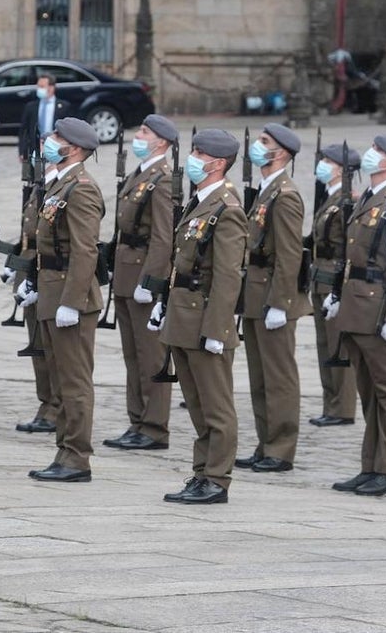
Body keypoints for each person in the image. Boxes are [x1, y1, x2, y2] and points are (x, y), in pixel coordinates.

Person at [156, 129, 247, 504]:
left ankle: (217, 478)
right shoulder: (199, 203)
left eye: (200, 153)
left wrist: (217, 328)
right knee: (196, 404)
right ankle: (201, 472)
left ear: (218, 163)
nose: (193, 158)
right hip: (184, 318)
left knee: (216, 406)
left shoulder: (227, 209)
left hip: (206, 320)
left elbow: (228, 275)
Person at [329, 135, 386, 497]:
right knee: (368, 391)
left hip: (379, 311)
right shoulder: (368, 197)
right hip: (358, 307)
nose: (371, 154)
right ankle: (371, 464)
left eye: (379, 152)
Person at [29, 117, 104, 482]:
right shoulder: (60, 183)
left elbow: (84, 251)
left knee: (74, 382)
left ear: (73, 148)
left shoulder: (82, 189)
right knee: (60, 381)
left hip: (69, 296)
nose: (50, 139)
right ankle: (64, 451)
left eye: (57, 136)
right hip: (51, 290)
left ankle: (77, 457)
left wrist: (72, 302)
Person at [236, 123, 312, 473]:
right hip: (256, 295)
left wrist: (281, 302)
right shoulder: (267, 190)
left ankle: (281, 448)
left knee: (279, 377)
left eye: (264, 143)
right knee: (260, 376)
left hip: (273, 297)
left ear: (280, 152)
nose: (257, 147)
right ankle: (266, 442)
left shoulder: (286, 194)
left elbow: (289, 254)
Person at [103, 113, 177, 452]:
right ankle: (137, 421)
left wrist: (152, 280)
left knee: (151, 356)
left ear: (161, 141)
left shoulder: (162, 179)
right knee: (132, 355)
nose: (139, 136)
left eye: (144, 132)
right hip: (125, 274)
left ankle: (155, 427)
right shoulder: (142, 173)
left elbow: (163, 238)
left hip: (142, 277)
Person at [308, 143, 359, 427]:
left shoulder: (347, 200)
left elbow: (348, 247)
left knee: (338, 346)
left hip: (334, 278)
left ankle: (343, 407)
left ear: (342, 169)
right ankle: (331, 403)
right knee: (324, 344)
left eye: (328, 161)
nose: (323, 165)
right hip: (320, 278)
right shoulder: (329, 197)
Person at [12, 160, 60, 434]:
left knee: (50, 347)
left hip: (49, 272)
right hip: (32, 266)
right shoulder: (41, 184)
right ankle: (46, 403)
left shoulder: (63, 187)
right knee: (37, 344)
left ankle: (56, 407)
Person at [18, 74, 69, 162]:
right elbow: (24, 131)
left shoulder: (63, 106)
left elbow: (67, 131)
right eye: (38, 86)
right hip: (35, 151)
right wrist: (23, 151)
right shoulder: (31, 107)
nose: (39, 89)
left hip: (56, 151)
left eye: (42, 86)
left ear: (51, 87)